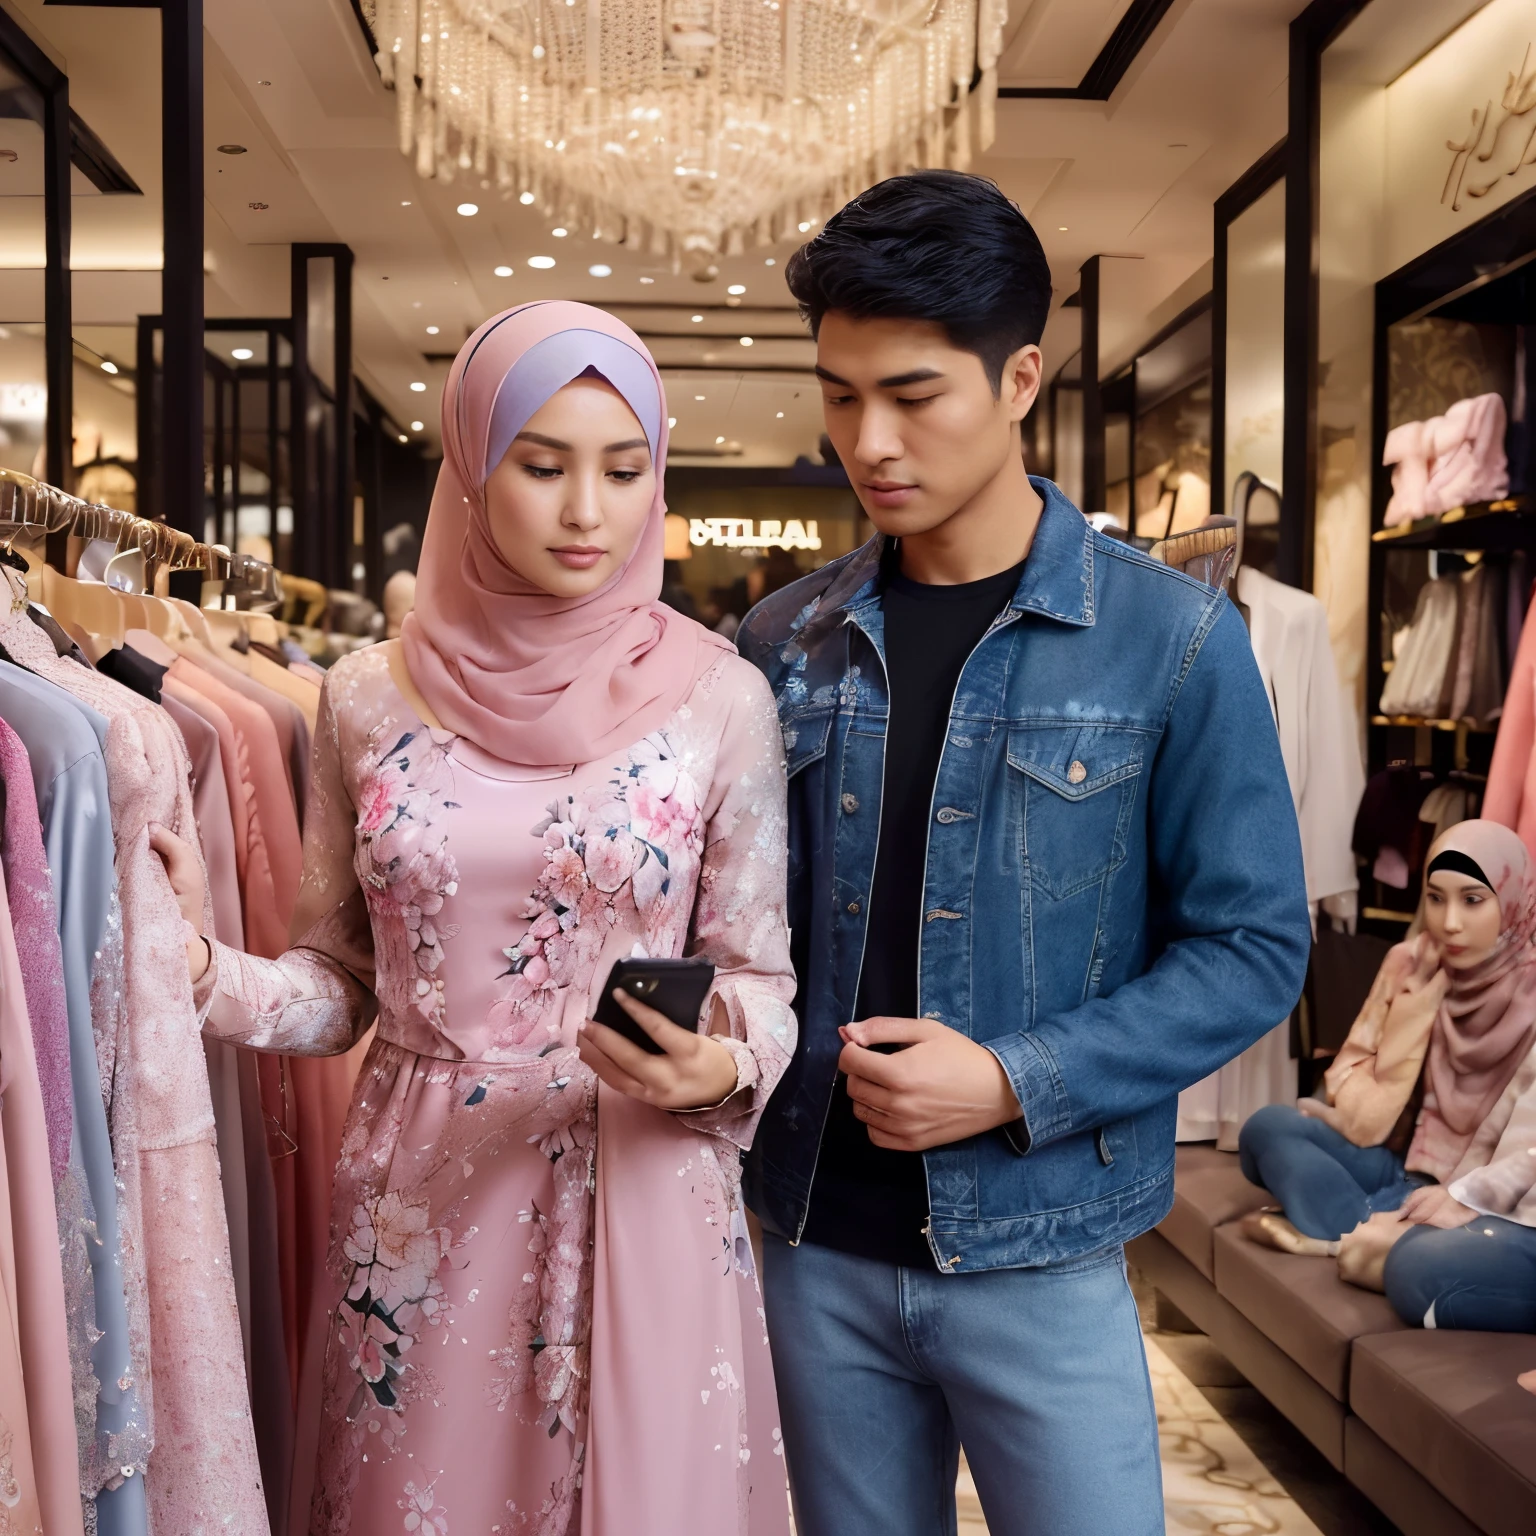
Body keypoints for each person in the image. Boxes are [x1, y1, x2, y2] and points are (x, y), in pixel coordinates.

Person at [150, 302, 796, 1535]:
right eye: (542, 465)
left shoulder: (723, 701)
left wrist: (715, 1062)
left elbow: (757, 976)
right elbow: (341, 984)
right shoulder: (361, 697)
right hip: (421, 1201)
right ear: (470, 464)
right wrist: (196, 969)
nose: (587, 512)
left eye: (625, 471)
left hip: (640, 1174)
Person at [736, 170, 1311, 1536]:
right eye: (838, 394)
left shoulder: (1172, 642)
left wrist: (1009, 1076)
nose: (866, 440)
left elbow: (1252, 948)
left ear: (1020, 379)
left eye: (913, 394)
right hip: (811, 1238)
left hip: (1044, 1243)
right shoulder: (778, 644)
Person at [1239, 820, 1536, 1257]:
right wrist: (1366, 1107)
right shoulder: (1410, 963)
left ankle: (1340, 1229)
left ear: (1513, 902)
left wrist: (1463, 1193)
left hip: (1471, 1190)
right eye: (1435, 899)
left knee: (1449, 1239)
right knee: (1266, 1128)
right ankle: (1365, 1229)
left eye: (1472, 901)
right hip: (1395, 1157)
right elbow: (1352, 1062)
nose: (1449, 922)